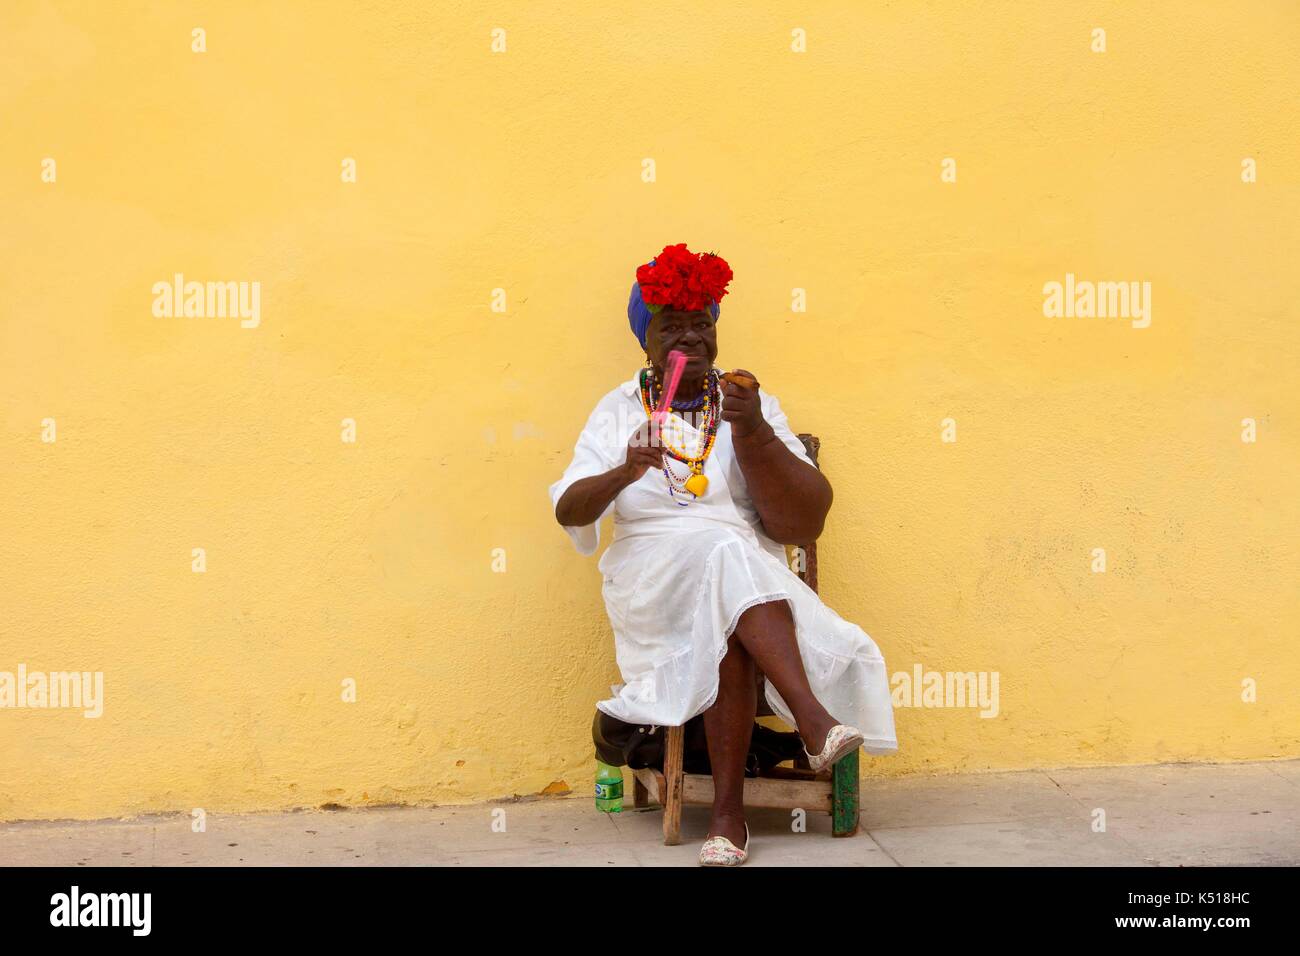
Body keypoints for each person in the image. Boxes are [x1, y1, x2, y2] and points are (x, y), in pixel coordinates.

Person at [550, 244, 898, 865]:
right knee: (722, 551)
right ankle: (815, 721)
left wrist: (756, 432)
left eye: (702, 323)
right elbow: (569, 508)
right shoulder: (618, 409)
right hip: (651, 579)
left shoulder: (744, 404)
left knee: (724, 589)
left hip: (741, 590)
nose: (691, 337)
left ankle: (727, 825)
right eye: (672, 326)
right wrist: (625, 470)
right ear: (646, 340)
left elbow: (805, 519)